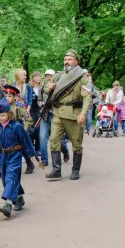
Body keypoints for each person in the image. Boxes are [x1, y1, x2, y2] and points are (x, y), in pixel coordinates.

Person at [0, 99, 37, 218]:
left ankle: (8, 204)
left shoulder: (16, 126)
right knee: (6, 178)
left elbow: (26, 140)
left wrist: (31, 154)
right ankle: (19, 197)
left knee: (11, 177)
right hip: (2, 155)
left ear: (9, 114)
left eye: (2, 115)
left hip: (15, 154)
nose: (0, 118)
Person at [43, 50, 92, 180]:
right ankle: (56, 170)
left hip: (73, 114)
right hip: (58, 112)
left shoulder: (82, 77)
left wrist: (83, 113)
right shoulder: (57, 76)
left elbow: (87, 97)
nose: (66, 61)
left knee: (76, 143)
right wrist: (49, 88)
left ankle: (75, 170)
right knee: (54, 140)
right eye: (65, 59)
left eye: (70, 59)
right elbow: (46, 89)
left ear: (76, 61)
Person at [0, 85, 35, 175]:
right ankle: (3, 169)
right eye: (6, 96)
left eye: (10, 96)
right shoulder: (2, 106)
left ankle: (30, 164)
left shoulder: (19, 107)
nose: (7, 98)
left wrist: (24, 129)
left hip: (17, 131)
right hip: (6, 131)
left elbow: (29, 120)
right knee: (4, 148)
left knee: (22, 148)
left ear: (15, 97)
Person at [39, 69, 70, 167]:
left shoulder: (60, 88)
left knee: (58, 139)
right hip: (45, 115)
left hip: (56, 115)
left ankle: (65, 151)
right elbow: (39, 100)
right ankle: (44, 160)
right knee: (42, 137)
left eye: (51, 76)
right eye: (47, 76)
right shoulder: (42, 88)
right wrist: (41, 103)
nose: (48, 77)